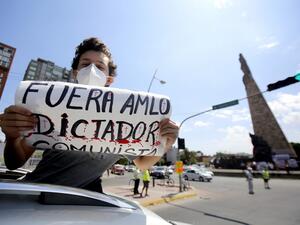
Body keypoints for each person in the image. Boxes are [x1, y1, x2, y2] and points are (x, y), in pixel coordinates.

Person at [0, 37, 179, 193]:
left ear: (109, 79)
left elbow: (142, 164)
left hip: (86, 203)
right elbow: (14, 162)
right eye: (85, 64)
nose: (92, 70)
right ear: (75, 73)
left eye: (100, 66)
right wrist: (12, 137)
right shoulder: (47, 105)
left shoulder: (127, 116)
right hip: (34, 195)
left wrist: (165, 143)